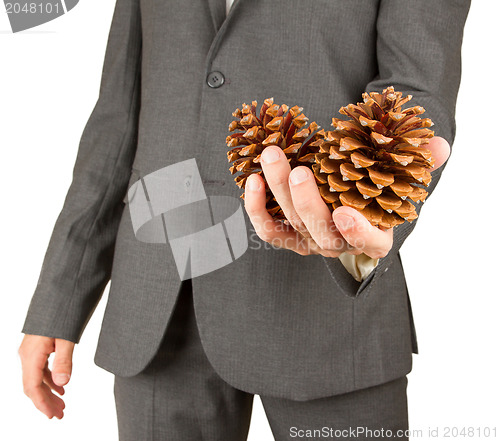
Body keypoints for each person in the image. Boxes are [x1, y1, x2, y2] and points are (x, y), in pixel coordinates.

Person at [18, 0, 471, 439]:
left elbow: (416, 93)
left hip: (330, 311)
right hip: (160, 307)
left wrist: (369, 219)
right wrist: (59, 301)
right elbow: (117, 120)